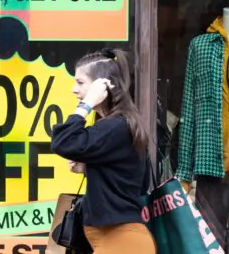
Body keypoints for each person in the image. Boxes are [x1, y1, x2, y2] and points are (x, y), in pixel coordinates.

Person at [51, 48, 156, 254]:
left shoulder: (116, 126)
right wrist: (90, 167)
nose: (74, 89)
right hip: (120, 239)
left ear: (102, 86)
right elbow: (132, 179)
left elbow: (63, 142)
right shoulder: (120, 124)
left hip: (121, 240)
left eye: (80, 82)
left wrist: (86, 104)